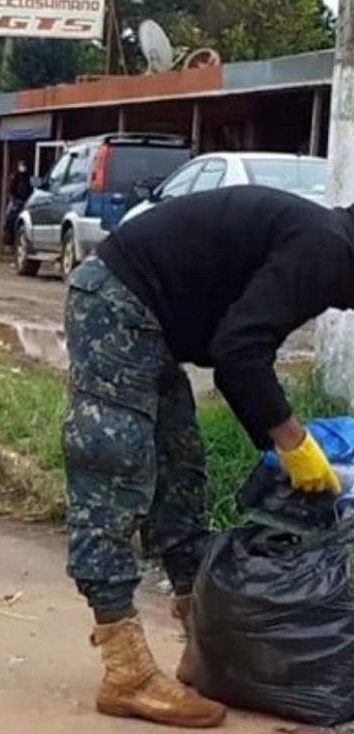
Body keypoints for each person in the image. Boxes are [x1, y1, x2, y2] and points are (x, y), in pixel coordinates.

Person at [63, 184, 352, 728]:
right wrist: (293, 442)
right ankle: (125, 668)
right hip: (118, 302)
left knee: (180, 470)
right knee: (114, 473)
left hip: (154, 321)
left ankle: (208, 649)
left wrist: (280, 439)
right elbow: (239, 353)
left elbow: (236, 345)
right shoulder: (327, 249)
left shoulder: (328, 241)